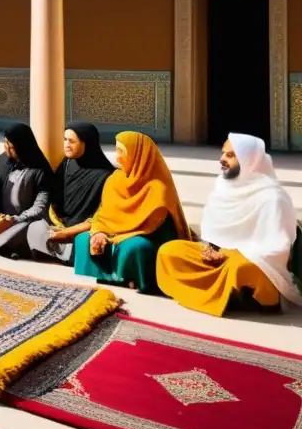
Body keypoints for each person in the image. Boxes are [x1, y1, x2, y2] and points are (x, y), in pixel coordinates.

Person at [157, 133, 302, 315]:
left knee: (241, 268)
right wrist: (211, 250)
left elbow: (277, 249)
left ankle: (240, 296)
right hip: (221, 258)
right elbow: (215, 232)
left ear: (249, 160)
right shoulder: (222, 187)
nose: (222, 159)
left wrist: (231, 254)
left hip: (252, 260)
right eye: (223, 153)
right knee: (169, 252)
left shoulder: (272, 196)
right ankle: (224, 293)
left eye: (230, 155)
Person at [73, 131, 191, 294]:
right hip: (113, 232)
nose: (117, 158)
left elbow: (149, 228)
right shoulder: (114, 180)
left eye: (121, 152)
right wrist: (98, 232)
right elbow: (102, 213)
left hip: (147, 236)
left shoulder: (157, 188)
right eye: (116, 151)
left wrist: (111, 238)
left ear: (139, 156)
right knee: (82, 239)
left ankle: (133, 279)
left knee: (135, 247)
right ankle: (108, 277)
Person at [27, 122, 116, 263]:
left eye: (72, 141)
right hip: (61, 225)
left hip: (83, 229)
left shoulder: (107, 176)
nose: (66, 145)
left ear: (87, 144)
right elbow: (54, 197)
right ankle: (60, 252)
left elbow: (100, 217)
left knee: (85, 242)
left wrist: (68, 233)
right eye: (65, 139)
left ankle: (64, 253)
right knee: (34, 228)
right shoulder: (68, 164)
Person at [0, 123, 53, 257]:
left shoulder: (41, 170)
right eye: (5, 143)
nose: (7, 149)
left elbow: (40, 207)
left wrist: (13, 220)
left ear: (22, 146)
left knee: (28, 229)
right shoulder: (3, 160)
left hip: (20, 221)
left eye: (11, 146)